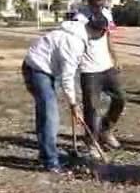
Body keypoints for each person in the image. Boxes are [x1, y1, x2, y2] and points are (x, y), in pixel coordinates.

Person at [22, 15, 109, 172]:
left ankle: (45, 155)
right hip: (36, 68)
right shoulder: (74, 43)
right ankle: (51, 162)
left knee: (46, 113)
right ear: (101, 32)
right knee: (50, 115)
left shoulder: (79, 31)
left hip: (46, 68)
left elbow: (69, 73)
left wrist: (74, 101)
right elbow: (67, 78)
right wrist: (74, 105)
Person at [74, 0, 126, 159]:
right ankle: (92, 144)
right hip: (89, 71)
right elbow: (76, 43)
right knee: (92, 109)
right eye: (96, 5)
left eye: (102, 5)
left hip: (107, 67)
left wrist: (115, 58)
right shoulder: (79, 18)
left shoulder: (107, 14)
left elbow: (108, 37)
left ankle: (106, 130)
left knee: (120, 98)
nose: (99, 8)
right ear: (89, 2)